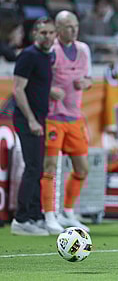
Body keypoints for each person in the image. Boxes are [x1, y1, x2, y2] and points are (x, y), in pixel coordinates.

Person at [39, 10, 92, 234]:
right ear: (58, 29)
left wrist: (85, 83)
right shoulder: (51, 51)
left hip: (74, 117)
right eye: (68, 26)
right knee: (50, 167)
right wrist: (49, 91)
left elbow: (90, 77)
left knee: (82, 168)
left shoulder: (83, 49)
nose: (73, 30)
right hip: (53, 117)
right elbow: (38, 79)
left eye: (75, 25)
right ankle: (49, 215)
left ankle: (68, 211)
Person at [10, 16, 56, 236]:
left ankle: (35, 216)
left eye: (50, 33)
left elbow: (37, 85)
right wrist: (30, 119)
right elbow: (18, 90)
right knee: (33, 168)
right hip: (28, 119)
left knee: (37, 167)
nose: (47, 36)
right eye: (43, 33)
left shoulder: (47, 56)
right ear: (35, 34)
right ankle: (21, 219)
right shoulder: (28, 55)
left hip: (39, 118)